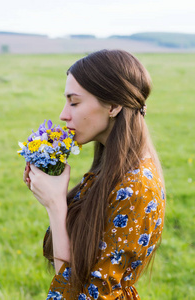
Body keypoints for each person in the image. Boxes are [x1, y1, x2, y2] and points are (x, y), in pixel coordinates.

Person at [23, 49, 165, 300]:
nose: (63, 114)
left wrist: (56, 204)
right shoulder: (113, 169)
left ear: (113, 106)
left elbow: (82, 294)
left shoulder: (136, 186)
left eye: (74, 102)